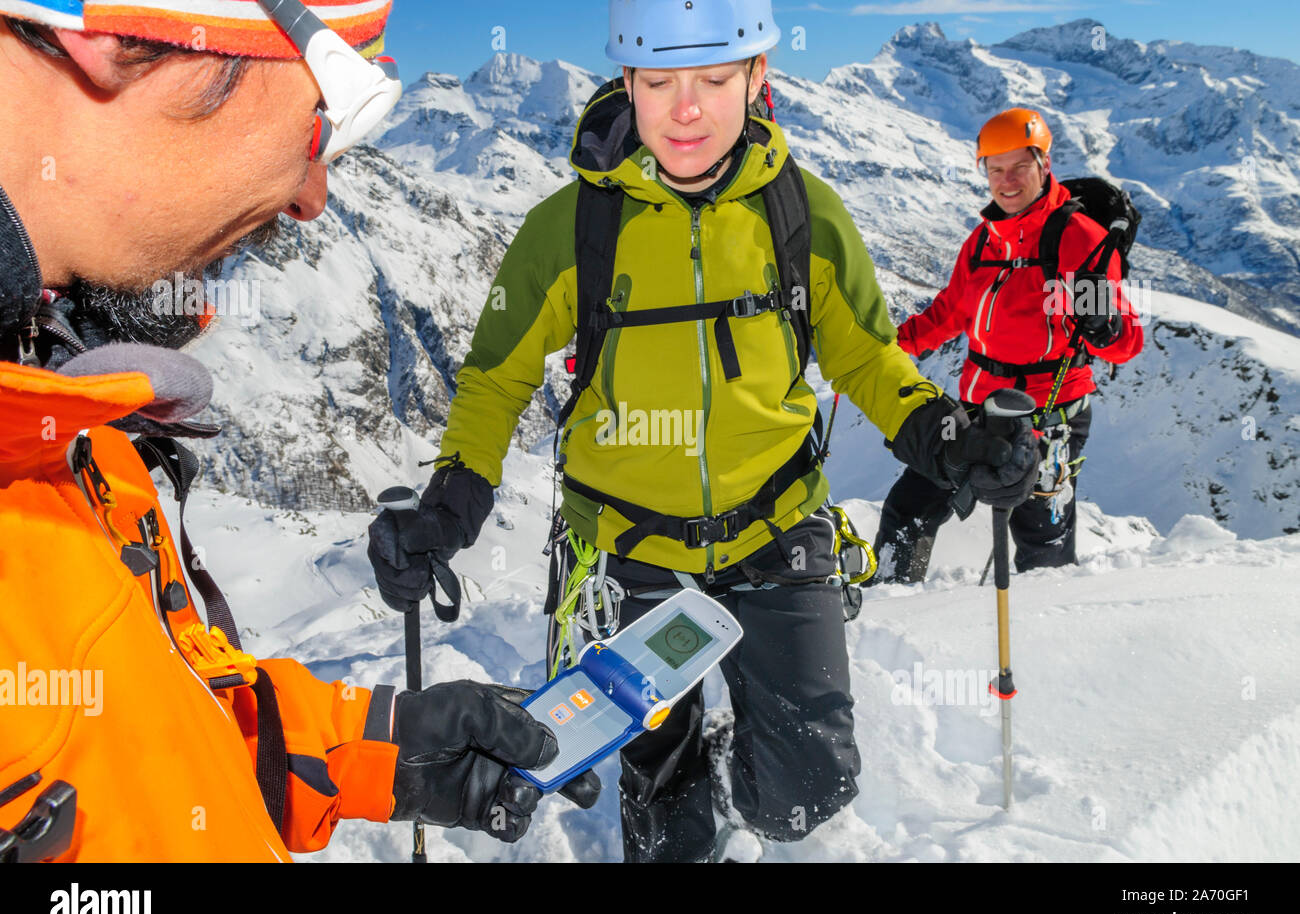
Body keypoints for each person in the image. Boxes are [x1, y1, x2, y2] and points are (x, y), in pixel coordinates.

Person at [367, 0, 1039, 863]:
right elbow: (497, 377)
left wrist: (946, 436)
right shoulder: (573, 229)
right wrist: (450, 504)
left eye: (715, 80)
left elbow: (869, 359)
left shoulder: (805, 215)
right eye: (659, 82)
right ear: (628, 84)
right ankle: (682, 792)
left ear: (760, 79)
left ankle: (735, 769)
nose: (686, 109)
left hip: (776, 522)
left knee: (809, 792)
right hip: (624, 546)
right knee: (666, 819)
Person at [0, 0, 595, 863]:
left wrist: (384, 748)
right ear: (118, 25)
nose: (314, 196)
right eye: (326, 115)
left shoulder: (57, 423)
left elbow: (155, 730)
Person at [872, 108, 1144, 583]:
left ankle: (1047, 629)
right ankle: (887, 599)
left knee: (1042, 542)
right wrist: (886, 346)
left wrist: (1105, 325)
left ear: (1044, 164)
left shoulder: (1077, 239)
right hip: (977, 408)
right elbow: (949, 314)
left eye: (1019, 166)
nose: (1007, 180)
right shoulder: (983, 242)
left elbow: (1125, 343)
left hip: (1048, 413)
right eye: (995, 169)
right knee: (910, 507)